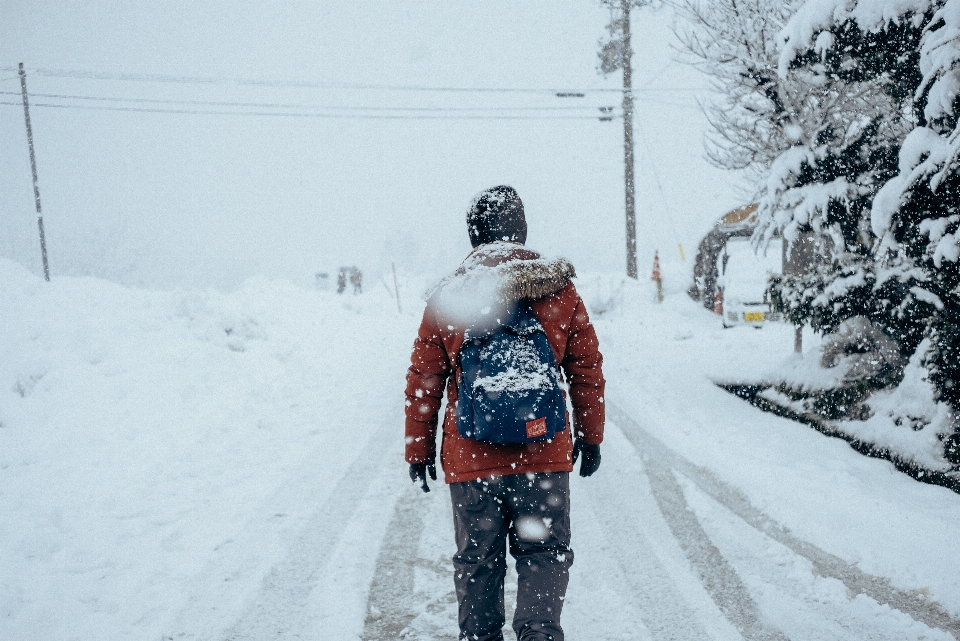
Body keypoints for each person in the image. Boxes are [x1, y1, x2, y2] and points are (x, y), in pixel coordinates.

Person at [404, 185, 605, 641]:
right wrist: (591, 437)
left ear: (474, 235)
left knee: (477, 562)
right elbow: (586, 369)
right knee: (544, 556)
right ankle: (539, 632)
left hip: (471, 462)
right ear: (523, 232)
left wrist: (418, 450)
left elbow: (425, 381)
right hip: (544, 457)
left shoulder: (450, 298)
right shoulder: (558, 290)